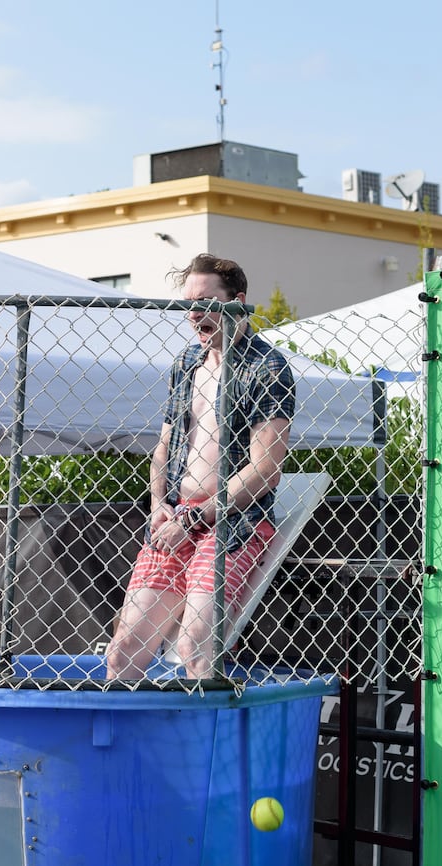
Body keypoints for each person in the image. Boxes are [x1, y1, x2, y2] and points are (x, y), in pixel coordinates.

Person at [106, 254, 296, 679]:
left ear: (238, 302)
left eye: (207, 302)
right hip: (176, 517)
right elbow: (165, 447)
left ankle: (201, 744)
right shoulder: (187, 364)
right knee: (122, 652)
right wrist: (158, 503)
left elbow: (266, 468)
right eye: (189, 304)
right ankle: (128, 742)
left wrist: (194, 517)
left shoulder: (266, 368)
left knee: (195, 647)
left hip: (232, 522)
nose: (194, 314)